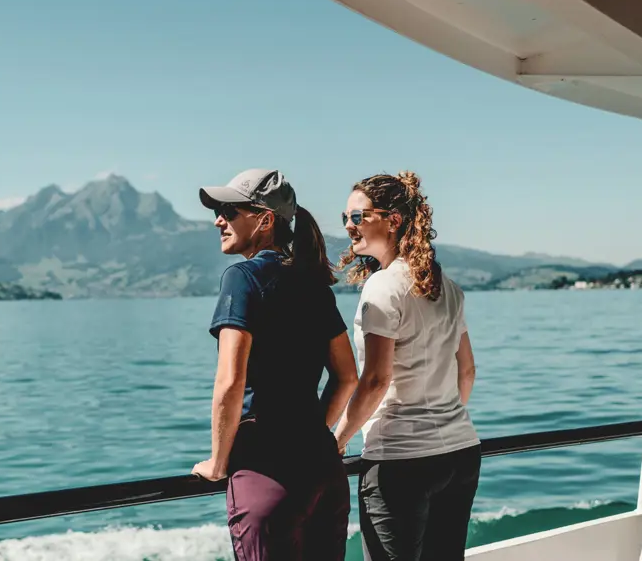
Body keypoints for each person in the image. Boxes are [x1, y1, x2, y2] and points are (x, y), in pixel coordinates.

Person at [192, 167, 360, 561]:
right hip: (323, 472)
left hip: (267, 472)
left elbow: (231, 383)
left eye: (230, 211)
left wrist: (218, 463)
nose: (219, 219)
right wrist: (311, 434)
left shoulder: (242, 279)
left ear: (265, 219)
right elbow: (347, 377)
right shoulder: (313, 283)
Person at [332, 172, 480, 561]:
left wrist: (335, 440)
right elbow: (466, 371)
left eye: (358, 217)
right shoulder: (446, 286)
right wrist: (444, 423)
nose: (349, 226)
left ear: (393, 220)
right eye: (345, 217)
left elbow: (377, 379)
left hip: (401, 462)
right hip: (460, 453)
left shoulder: (382, 287)